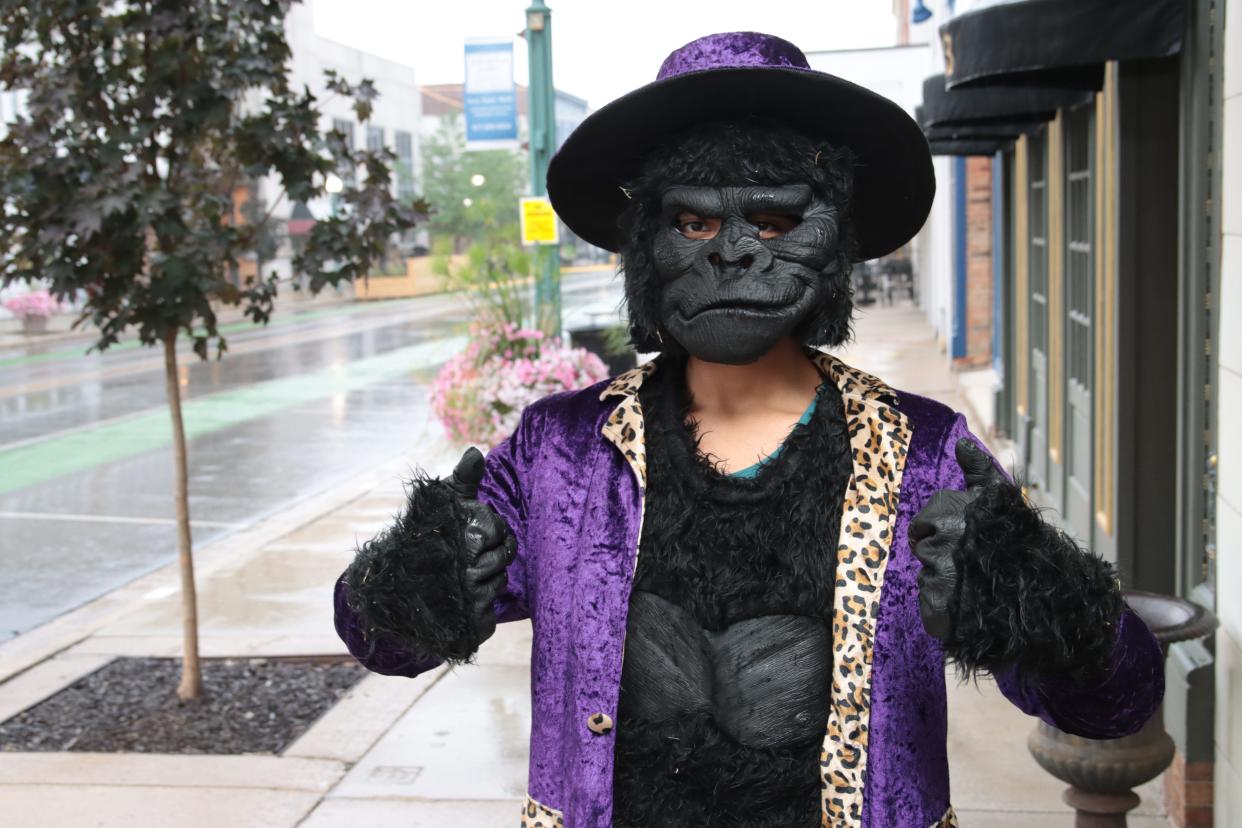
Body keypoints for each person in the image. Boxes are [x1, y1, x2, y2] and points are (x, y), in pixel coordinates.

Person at [334, 32, 1164, 828]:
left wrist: (1035, 597)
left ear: (832, 239)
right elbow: (382, 642)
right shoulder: (560, 454)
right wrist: (425, 574)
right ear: (646, 244)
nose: (733, 253)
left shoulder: (927, 455)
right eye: (695, 223)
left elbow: (1116, 703)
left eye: (771, 223)